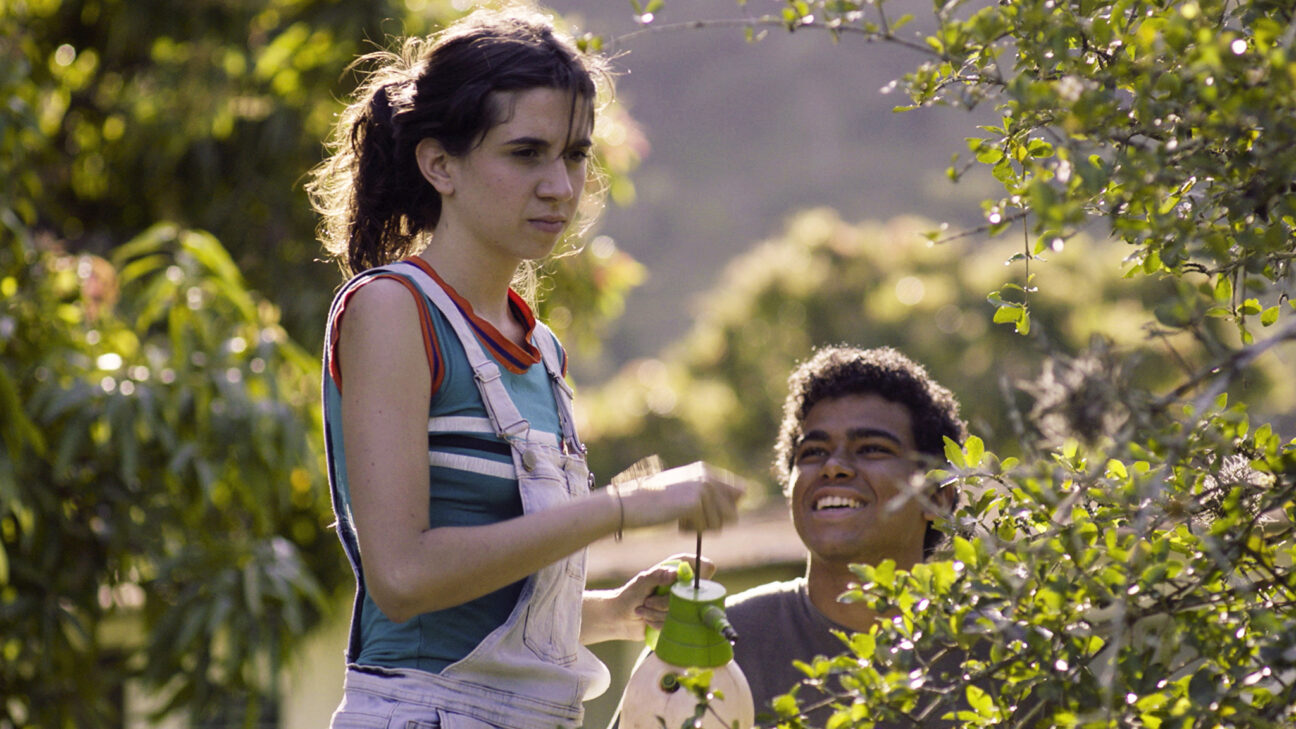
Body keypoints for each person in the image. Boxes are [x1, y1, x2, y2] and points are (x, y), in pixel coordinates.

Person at [305, 7, 745, 729]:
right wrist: (624, 507)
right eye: (525, 153)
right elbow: (404, 579)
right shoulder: (393, 309)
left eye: (574, 155)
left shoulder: (541, 348)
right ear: (439, 164)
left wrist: (615, 612)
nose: (560, 187)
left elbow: (478, 613)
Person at [725, 345, 966, 725]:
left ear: (936, 497)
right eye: (813, 452)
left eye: (871, 449)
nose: (833, 466)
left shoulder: (1009, 657)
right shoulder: (722, 646)